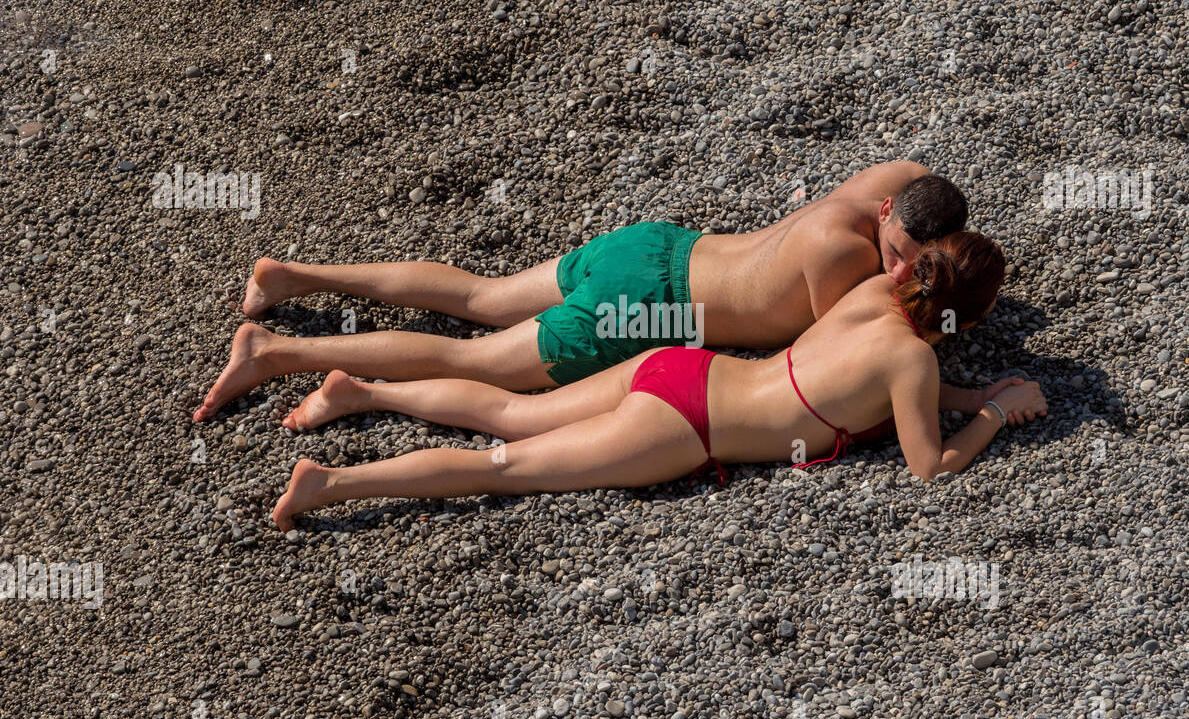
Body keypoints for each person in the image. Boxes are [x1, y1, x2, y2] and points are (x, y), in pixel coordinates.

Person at [271, 231, 1046, 531]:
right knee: (500, 466)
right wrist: (995, 415)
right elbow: (930, 469)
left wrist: (965, 394)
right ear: (962, 320)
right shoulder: (913, 358)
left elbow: (871, 381)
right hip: (685, 426)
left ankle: (364, 391)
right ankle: (334, 482)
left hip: (680, 365)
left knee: (513, 411)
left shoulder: (872, 297)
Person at [195, 160, 967, 420]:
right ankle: (277, 350)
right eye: (893, 251)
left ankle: (292, 275)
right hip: (650, 310)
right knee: (472, 361)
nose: (896, 271)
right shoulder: (844, 263)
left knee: (481, 296)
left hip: (660, 243)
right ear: (886, 218)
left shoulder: (896, 183)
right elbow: (836, 359)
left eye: (912, 262)